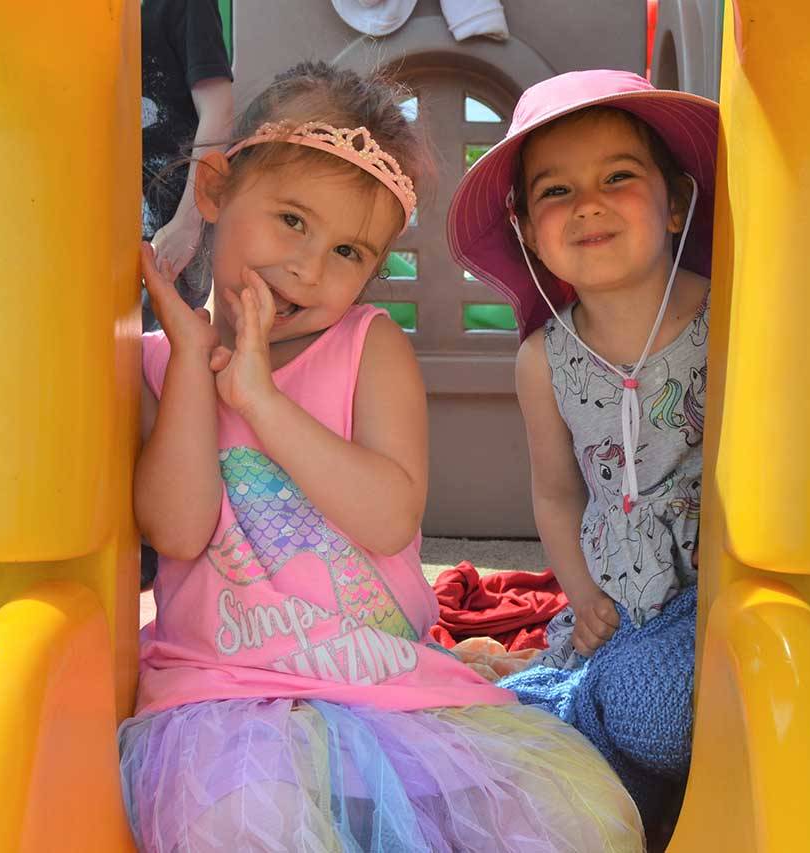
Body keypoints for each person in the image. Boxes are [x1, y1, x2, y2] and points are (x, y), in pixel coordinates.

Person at [121, 62, 643, 852]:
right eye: (291, 221)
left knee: (580, 814)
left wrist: (261, 398)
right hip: (225, 695)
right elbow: (177, 530)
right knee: (242, 827)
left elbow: (389, 513)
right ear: (217, 190)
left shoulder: (369, 347)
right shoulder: (162, 361)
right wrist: (198, 367)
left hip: (386, 685)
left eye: (348, 252)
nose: (309, 268)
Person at [446, 69, 719, 838]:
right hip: (613, 609)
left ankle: (565, 703)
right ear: (529, 229)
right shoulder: (544, 358)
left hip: (708, 601)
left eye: (618, 177)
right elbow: (558, 493)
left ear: (673, 202)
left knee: (664, 708)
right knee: (533, 790)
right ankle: (585, 734)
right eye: (556, 192)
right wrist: (580, 591)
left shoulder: (725, 318)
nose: (588, 203)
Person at [141, 0, 235, 320]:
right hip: (98, 226)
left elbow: (218, 111)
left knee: (157, 359)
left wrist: (187, 222)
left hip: (167, 232)